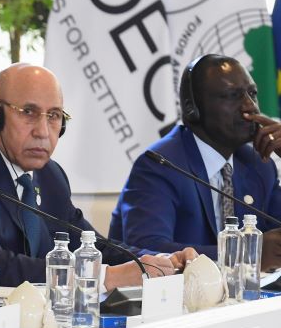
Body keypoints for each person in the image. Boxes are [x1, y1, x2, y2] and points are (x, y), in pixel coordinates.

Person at [0, 63, 189, 288]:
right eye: (29, 113)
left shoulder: (50, 175)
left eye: (54, 116)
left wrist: (155, 260)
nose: (43, 131)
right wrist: (105, 277)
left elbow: (91, 244)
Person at [110, 54, 281, 269]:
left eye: (252, 94)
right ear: (193, 109)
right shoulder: (160, 165)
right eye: (232, 95)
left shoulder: (258, 164)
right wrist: (244, 252)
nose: (250, 107)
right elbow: (146, 248)